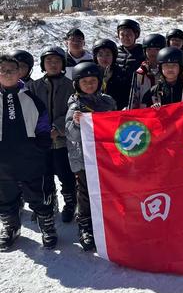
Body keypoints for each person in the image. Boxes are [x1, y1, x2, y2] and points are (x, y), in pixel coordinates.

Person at [0, 55, 57, 251]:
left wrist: (42, 140)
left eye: (12, 70)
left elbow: (42, 120)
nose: (7, 74)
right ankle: (11, 227)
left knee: (37, 193)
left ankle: (47, 225)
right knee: (5, 195)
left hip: (30, 156)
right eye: (3, 70)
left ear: (19, 73)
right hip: (2, 159)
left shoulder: (31, 97)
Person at [65, 62, 116, 251]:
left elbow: (115, 125)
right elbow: (70, 134)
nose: (89, 84)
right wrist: (78, 123)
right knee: (85, 194)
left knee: (106, 191)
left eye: (93, 81)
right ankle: (85, 225)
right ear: (77, 84)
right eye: (84, 81)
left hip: (106, 157)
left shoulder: (107, 101)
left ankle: (105, 223)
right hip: (85, 160)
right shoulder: (75, 106)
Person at [30, 46, 76, 223]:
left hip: (64, 141)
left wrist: (58, 128)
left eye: (57, 61)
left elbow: (74, 111)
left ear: (63, 63)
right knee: (45, 174)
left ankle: (70, 203)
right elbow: (29, 112)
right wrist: (42, 131)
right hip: (42, 141)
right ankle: (48, 202)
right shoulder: (34, 86)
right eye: (49, 61)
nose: (53, 64)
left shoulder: (70, 85)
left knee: (66, 174)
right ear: (43, 64)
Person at [129, 33, 166, 109]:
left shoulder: (166, 71)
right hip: (144, 113)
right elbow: (134, 97)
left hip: (164, 111)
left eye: (156, 49)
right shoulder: (140, 72)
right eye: (149, 49)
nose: (152, 53)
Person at [92, 38, 130, 110]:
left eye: (108, 54)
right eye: (100, 55)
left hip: (116, 113)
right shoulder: (90, 73)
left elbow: (126, 96)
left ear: (114, 56)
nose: (104, 58)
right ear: (95, 57)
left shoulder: (121, 74)